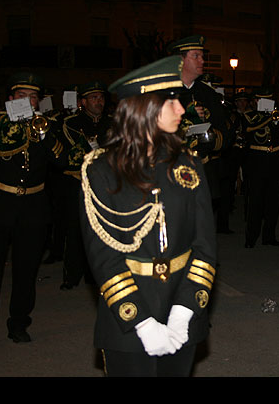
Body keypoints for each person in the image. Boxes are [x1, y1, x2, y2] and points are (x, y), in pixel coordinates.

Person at [79, 55, 217, 377]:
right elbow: (104, 258)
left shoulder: (189, 166)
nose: (182, 111)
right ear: (146, 108)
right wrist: (141, 322)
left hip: (183, 306)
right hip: (127, 321)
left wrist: (184, 311)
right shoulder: (101, 171)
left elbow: (205, 247)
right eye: (173, 103)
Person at [0, 72, 68, 349]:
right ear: (11, 99)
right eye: (22, 96)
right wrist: (5, 123)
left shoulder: (46, 124)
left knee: (26, 270)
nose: (28, 101)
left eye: (33, 97)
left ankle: (19, 323)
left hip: (32, 207)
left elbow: (62, 160)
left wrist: (45, 133)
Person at [58, 80, 112, 289]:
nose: (99, 102)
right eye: (94, 98)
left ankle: (95, 276)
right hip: (77, 181)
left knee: (101, 230)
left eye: (101, 97)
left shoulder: (112, 122)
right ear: (83, 101)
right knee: (74, 229)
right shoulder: (71, 123)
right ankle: (71, 275)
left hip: (105, 183)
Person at [167, 35, 231, 205]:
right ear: (180, 60)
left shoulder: (209, 95)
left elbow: (225, 137)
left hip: (202, 171)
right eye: (196, 56)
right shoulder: (164, 92)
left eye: (202, 56)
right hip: (169, 173)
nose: (202, 60)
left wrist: (206, 135)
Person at [240, 88, 279, 248]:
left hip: (274, 161)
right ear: (255, 101)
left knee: (273, 203)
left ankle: (269, 236)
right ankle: (251, 237)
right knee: (255, 202)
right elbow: (247, 132)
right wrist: (268, 119)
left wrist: (276, 121)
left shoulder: (277, 116)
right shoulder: (249, 116)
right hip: (257, 162)